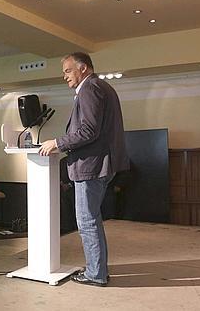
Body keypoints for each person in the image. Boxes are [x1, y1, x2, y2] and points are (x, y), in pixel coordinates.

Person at [39, 52, 129, 287]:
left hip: (91, 166)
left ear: (84, 69)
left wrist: (57, 143)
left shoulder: (89, 89)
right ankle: (97, 269)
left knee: (87, 221)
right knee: (92, 220)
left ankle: (96, 274)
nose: (65, 77)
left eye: (68, 71)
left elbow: (88, 131)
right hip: (101, 164)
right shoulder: (102, 87)